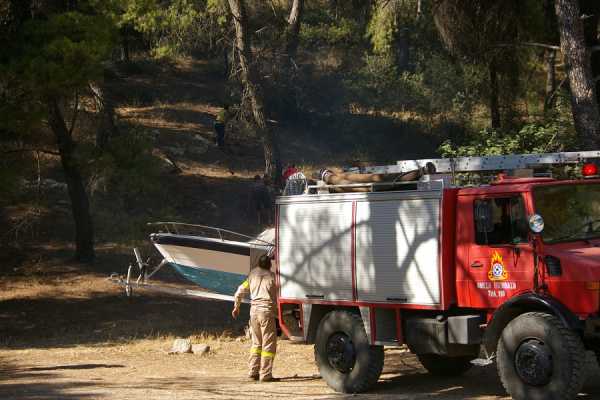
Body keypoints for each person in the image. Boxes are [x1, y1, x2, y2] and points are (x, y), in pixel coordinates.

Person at [232, 254, 279, 382]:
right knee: (268, 344)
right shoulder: (273, 277)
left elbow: (240, 290)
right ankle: (266, 374)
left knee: (256, 343)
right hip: (266, 313)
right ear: (270, 265)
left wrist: (237, 307)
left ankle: (253, 371)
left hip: (253, 313)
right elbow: (277, 297)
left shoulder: (252, 275)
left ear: (258, 264)